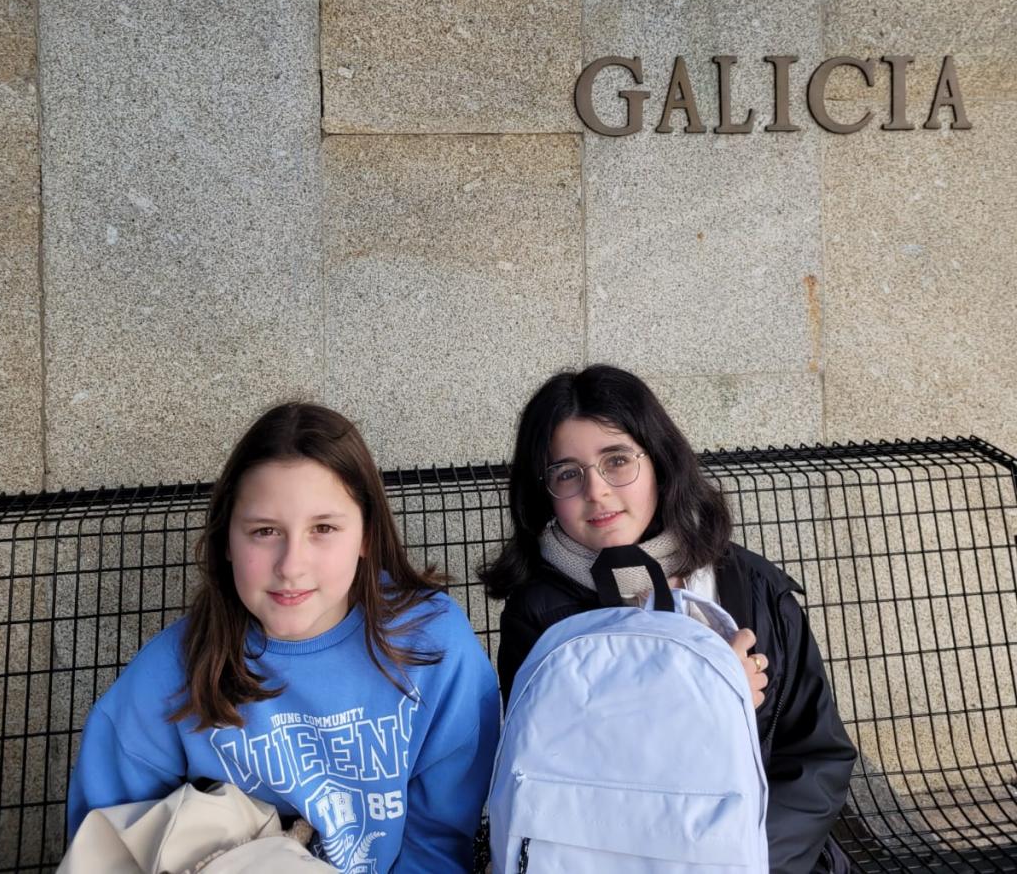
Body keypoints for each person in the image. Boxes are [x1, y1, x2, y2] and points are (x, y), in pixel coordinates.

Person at [67, 402, 500, 873]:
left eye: (323, 528)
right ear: (227, 540)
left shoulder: (431, 644)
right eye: (265, 531)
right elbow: (107, 846)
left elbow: (437, 839)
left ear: (366, 535)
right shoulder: (170, 673)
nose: (291, 565)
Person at [482, 365, 857, 874]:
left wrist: (743, 858)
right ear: (544, 490)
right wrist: (711, 697)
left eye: (617, 460)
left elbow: (816, 757)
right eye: (567, 473)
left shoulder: (752, 586)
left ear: (659, 461)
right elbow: (563, 779)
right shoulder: (540, 618)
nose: (597, 490)